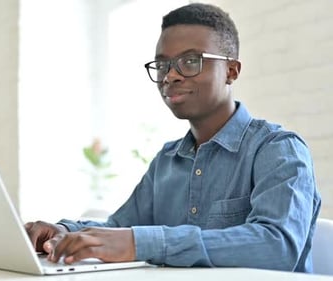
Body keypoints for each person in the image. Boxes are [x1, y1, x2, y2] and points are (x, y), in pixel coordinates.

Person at [24, 3, 321, 273]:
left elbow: (277, 246)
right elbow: (119, 228)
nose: (170, 76)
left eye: (190, 61)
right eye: (163, 65)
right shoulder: (167, 160)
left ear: (231, 70)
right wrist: (64, 230)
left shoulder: (277, 149)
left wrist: (141, 244)